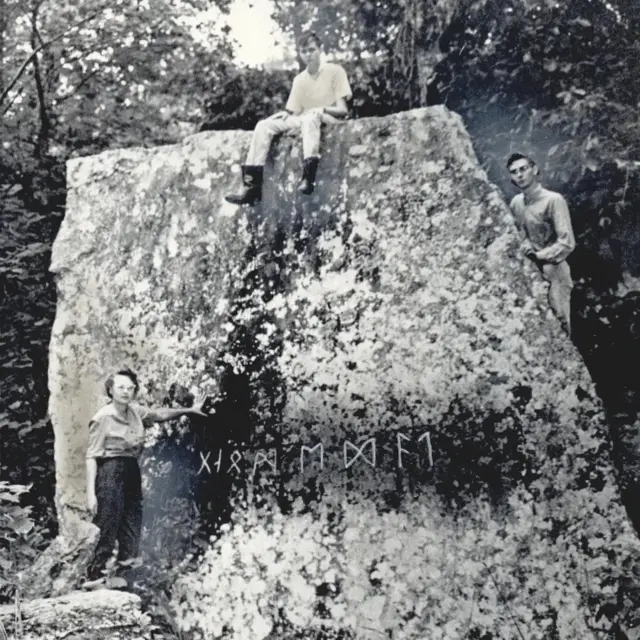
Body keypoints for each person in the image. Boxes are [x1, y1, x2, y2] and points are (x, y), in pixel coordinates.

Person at [85, 368, 208, 586]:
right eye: (121, 387)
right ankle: (95, 574)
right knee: (108, 517)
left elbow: (158, 414)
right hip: (110, 469)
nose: (126, 391)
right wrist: (90, 494)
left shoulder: (135, 412)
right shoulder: (102, 417)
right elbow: (91, 456)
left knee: (132, 515)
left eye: (130, 388)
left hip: (131, 467)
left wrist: (189, 410)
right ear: (111, 390)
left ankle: (125, 569)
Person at [225, 31, 352, 206]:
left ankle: (308, 178)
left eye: (312, 50)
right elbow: (294, 112)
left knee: (310, 117)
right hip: (307, 119)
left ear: (320, 49)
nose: (308, 54)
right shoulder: (300, 80)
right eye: (304, 51)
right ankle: (251, 187)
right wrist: (286, 114)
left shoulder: (335, 71)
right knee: (263, 125)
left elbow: (343, 111)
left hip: (328, 118)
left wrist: (320, 109)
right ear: (300, 54)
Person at [507, 152, 576, 335]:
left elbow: (567, 242)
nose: (519, 175)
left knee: (561, 326)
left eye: (523, 169)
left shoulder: (553, 200)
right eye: (514, 172)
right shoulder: (516, 204)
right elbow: (520, 234)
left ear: (534, 169)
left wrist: (539, 256)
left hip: (555, 270)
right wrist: (526, 245)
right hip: (532, 271)